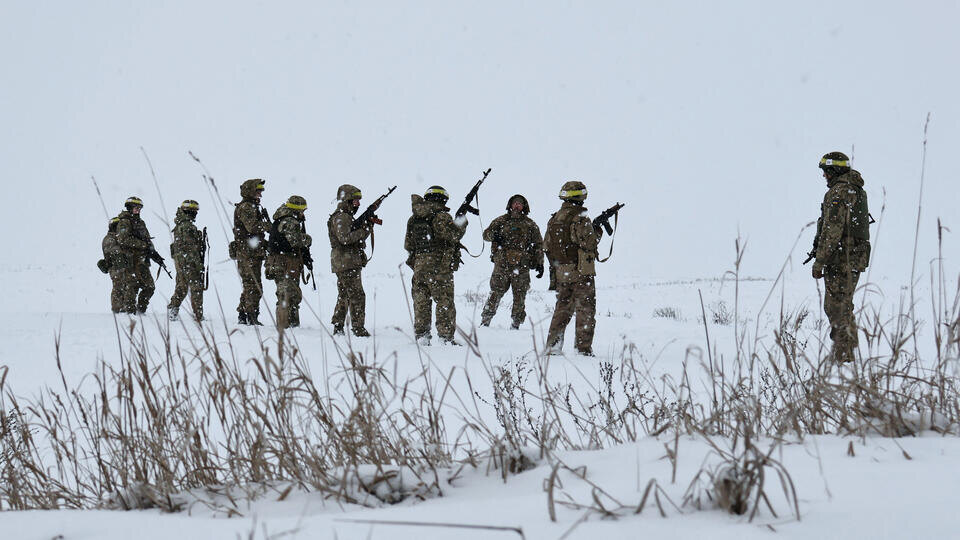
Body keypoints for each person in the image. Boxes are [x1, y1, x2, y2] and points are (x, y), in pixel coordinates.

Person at [811, 151, 871, 363]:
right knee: (844, 304)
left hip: (841, 259)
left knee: (836, 306)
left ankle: (844, 354)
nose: (824, 176)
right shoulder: (855, 189)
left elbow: (832, 230)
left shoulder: (840, 192)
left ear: (834, 170)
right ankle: (846, 351)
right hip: (854, 258)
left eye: (826, 172)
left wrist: (820, 261)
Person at [543, 181, 602, 356]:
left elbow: (546, 246)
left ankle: (553, 346)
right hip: (581, 272)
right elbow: (589, 243)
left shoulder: (554, 219)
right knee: (585, 309)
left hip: (562, 271)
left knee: (562, 309)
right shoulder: (580, 219)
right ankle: (583, 349)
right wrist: (597, 231)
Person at [404, 186, 468, 345]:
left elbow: (408, 245)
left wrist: (421, 257)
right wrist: (461, 220)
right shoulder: (441, 216)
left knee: (421, 302)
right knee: (444, 301)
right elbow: (453, 235)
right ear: (443, 199)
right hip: (439, 267)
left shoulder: (414, 219)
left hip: (419, 266)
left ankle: (422, 336)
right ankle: (445, 338)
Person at [480, 194, 544, 329]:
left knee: (520, 296)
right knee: (495, 293)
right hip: (502, 265)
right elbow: (486, 235)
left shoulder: (530, 224)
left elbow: (538, 244)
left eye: (519, 203)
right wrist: (494, 235)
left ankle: (516, 325)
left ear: (524, 206)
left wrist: (540, 263)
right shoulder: (500, 221)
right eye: (514, 203)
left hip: (521, 266)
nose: (516, 205)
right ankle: (485, 321)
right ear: (510, 205)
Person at [327, 184, 374, 337]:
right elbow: (345, 239)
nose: (358, 204)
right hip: (346, 262)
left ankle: (338, 325)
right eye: (355, 200)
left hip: (345, 262)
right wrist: (364, 230)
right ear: (347, 200)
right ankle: (358, 328)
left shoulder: (345, 216)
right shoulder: (342, 216)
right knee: (357, 295)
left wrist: (366, 228)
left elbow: (352, 237)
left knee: (345, 294)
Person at [268, 195, 312, 329]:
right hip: (284, 262)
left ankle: (292, 324)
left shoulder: (284, 219)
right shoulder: (289, 221)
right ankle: (284, 325)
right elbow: (296, 241)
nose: (303, 213)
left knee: (292, 294)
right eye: (302, 210)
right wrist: (307, 239)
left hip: (285, 262)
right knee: (285, 294)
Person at [114, 196, 163, 314]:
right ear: (129, 208)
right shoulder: (124, 222)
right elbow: (123, 239)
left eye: (140, 208)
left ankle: (141, 310)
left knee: (150, 287)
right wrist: (142, 245)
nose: (138, 210)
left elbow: (147, 240)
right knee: (132, 286)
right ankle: (130, 313)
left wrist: (154, 254)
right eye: (136, 208)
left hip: (142, 261)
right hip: (130, 259)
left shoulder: (141, 223)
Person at [232, 179, 271, 325]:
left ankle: (244, 315)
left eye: (261, 190)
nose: (260, 194)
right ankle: (251, 316)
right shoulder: (247, 207)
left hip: (251, 252)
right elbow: (252, 227)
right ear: (249, 191)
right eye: (257, 190)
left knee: (250, 285)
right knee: (253, 286)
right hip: (247, 253)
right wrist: (269, 227)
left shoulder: (253, 206)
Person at [167, 200, 205, 322]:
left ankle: (173, 308)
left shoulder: (181, 225)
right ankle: (198, 314)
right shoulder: (187, 226)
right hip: (189, 261)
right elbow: (191, 248)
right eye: (194, 211)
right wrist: (198, 264)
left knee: (182, 286)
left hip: (182, 261)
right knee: (196, 287)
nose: (195, 213)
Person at [97, 217, 124, 313]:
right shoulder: (109, 239)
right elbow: (115, 252)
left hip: (118, 267)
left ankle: (122, 307)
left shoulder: (115, 238)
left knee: (122, 286)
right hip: (114, 267)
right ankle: (117, 308)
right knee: (118, 286)